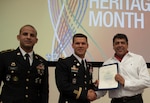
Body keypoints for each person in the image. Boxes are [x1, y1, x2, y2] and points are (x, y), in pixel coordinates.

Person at [0, 25, 49, 103]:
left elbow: (44, 91)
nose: (28, 37)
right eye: (25, 34)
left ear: (36, 40)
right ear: (18, 37)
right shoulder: (5, 57)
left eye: (32, 35)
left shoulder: (41, 62)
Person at [96, 33, 150, 103]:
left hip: (135, 100)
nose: (120, 45)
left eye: (122, 43)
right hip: (116, 101)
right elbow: (104, 90)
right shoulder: (107, 63)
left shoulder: (138, 59)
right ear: (113, 46)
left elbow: (146, 82)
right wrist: (97, 91)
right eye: (117, 43)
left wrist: (125, 83)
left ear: (127, 45)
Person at [55, 33, 97, 103]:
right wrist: (84, 94)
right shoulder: (64, 62)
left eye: (83, 43)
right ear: (73, 45)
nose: (80, 46)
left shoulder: (88, 65)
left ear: (87, 46)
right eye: (77, 43)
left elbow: (86, 85)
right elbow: (63, 86)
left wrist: (95, 85)